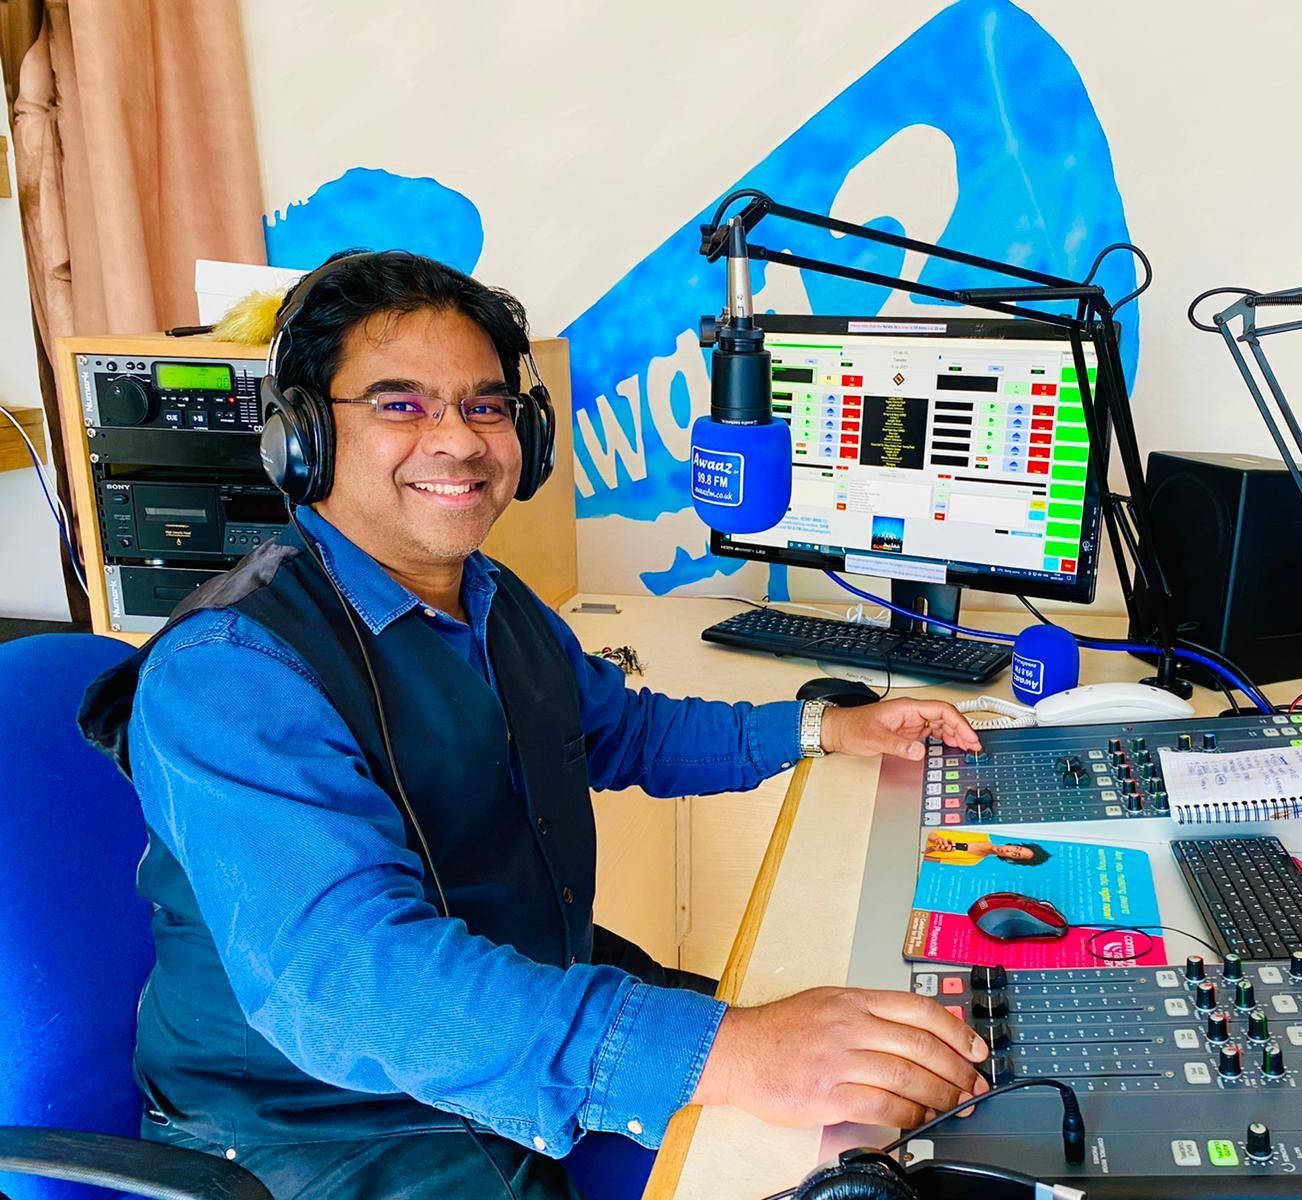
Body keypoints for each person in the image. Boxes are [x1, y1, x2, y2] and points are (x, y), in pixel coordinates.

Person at [79, 250, 991, 1200]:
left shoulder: (490, 597)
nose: (458, 441)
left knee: (878, 1108)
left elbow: (619, 731)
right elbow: (353, 982)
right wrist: (733, 1051)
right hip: (322, 1123)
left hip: (511, 1005)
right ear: (303, 438)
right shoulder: (231, 671)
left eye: (485, 406)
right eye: (401, 404)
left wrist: (823, 729)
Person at [922, 833, 1051, 867]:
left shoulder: (972, 862)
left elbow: (925, 858)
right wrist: (936, 839)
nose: (1009, 851)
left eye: (1016, 855)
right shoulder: (979, 833)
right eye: (1017, 848)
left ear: (1011, 860)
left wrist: (932, 848)